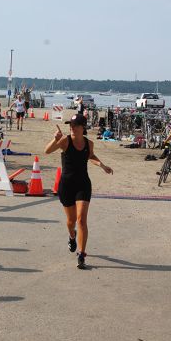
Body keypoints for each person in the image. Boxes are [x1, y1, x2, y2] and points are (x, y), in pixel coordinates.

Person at [44, 114, 113, 269]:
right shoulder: (65, 140)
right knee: (71, 221)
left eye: (76, 125)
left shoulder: (89, 143)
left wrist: (102, 165)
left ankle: (81, 254)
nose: (72, 128)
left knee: (81, 219)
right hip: (66, 185)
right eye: (71, 125)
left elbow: (91, 156)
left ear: (83, 127)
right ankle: (71, 235)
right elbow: (47, 151)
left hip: (83, 184)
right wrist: (55, 139)